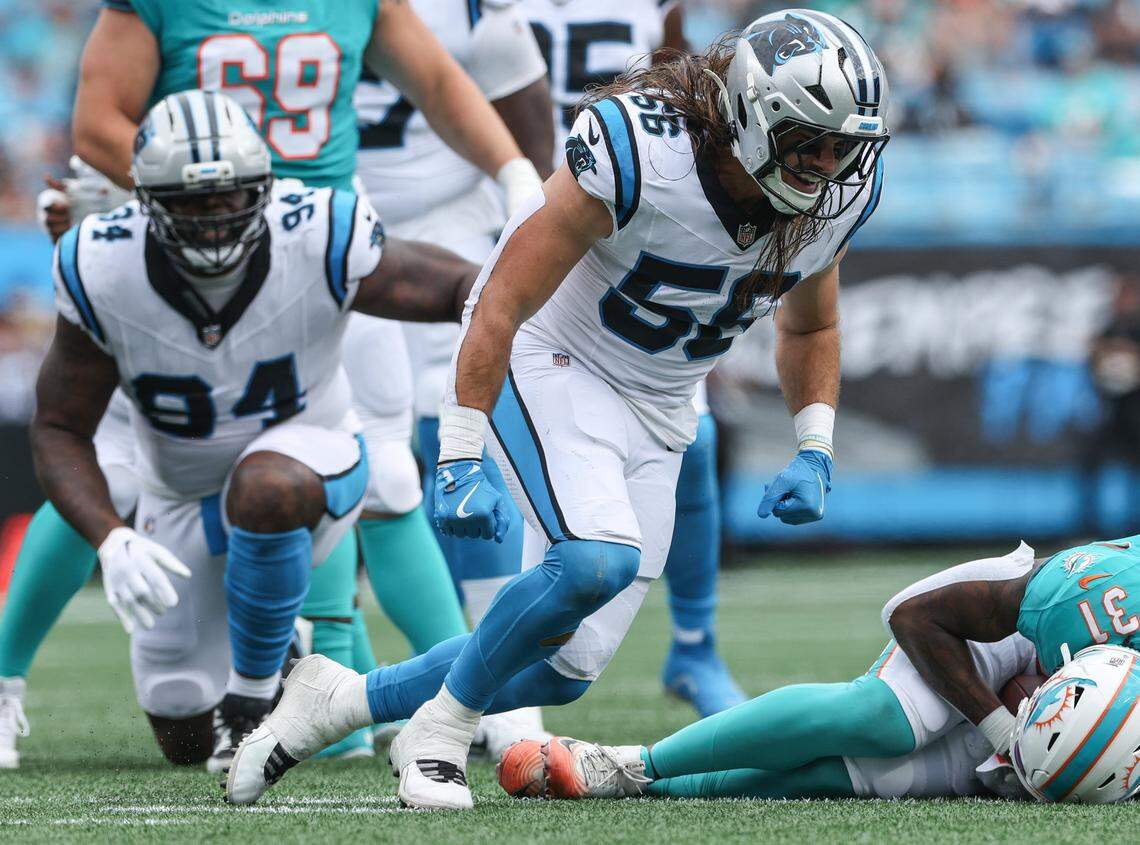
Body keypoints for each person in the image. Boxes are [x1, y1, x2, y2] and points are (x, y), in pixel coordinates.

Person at [226, 8, 888, 810]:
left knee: (565, 666)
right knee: (591, 560)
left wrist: (814, 442)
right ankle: (438, 733)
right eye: (807, 140)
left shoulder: (839, 195)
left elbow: (810, 320)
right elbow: (500, 295)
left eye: (841, 145)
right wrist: (462, 448)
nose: (826, 164)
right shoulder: (643, 151)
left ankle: (339, 701)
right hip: (552, 354)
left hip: (661, 401)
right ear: (750, 115)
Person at [2, 0, 543, 768]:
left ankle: (465, 696)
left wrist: (518, 179)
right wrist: (187, 193)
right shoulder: (109, 251)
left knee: (371, 473)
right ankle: (7, 677)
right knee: (119, 465)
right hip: (170, 258)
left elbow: (438, 83)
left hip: (305, 253)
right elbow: (98, 124)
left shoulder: (326, 221)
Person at [522, 0, 745, 718]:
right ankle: (471, 641)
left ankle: (695, 644)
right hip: (535, 191)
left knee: (696, 435)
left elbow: (692, 83)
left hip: (639, 204)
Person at [352, 0, 554, 756]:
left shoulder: (478, 14)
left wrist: (523, 201)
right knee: (349, 450)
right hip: (327, 225)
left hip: (447, 228)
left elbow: (526, 136)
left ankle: (493, 689)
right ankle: (332, 656)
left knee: (463, 435)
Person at [495, 565, 1037, 801]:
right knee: (885, 721)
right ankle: (630, 762)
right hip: (1005, 635)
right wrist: (999, 722)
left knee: (864, 778)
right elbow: (914, 616)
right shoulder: (1105, 591)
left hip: (1085, 723)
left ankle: (634, 786)